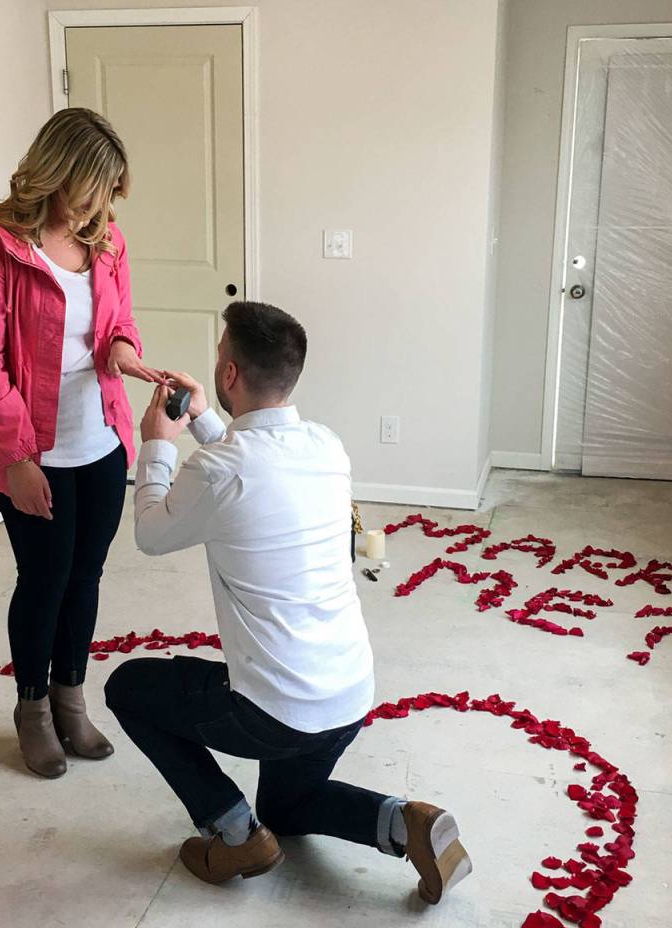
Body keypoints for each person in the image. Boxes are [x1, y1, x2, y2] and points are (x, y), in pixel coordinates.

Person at [104, 301, 473, 904]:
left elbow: (151, 532)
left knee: (128, 687)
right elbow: (253, 469)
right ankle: (406, 821)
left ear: (228, 374)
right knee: (287, 806)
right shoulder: (327, 446)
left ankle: (232, 834)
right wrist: (201, 422)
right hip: (349, 694)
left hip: (272, 711)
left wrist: (156, 445)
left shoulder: (219, 468)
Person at [0, 108, 165, 779]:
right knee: (44, 578)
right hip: (26, 447)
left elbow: (117, 325)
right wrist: (16, 460)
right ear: (56, 174)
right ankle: (34, 709)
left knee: (86, 574)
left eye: (109, 193)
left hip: (98, 437)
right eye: (91, 189)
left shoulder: (107, 240)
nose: (100, 206)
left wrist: (129, 359)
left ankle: (72, 698)